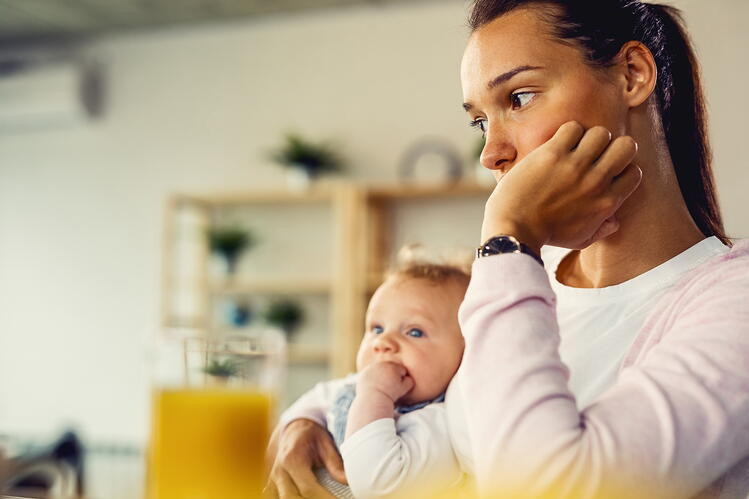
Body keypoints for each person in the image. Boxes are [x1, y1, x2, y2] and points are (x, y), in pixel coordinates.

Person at [266, 1, 749, 497]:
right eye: (480, 121)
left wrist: (508, 236)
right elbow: (407, 373)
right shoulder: (518, 274)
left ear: (632, 74)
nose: (490, 153)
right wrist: (307, 420)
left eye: (519, 98)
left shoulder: (733, 300)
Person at [265, 252, 471, 499]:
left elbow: (378, 484)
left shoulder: (441, 424)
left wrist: (375, 396)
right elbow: (307, 405)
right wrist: (301, 421)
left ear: (466, 352)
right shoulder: (355, 386)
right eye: (377, 328)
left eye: (414, 332)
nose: (383, 342)